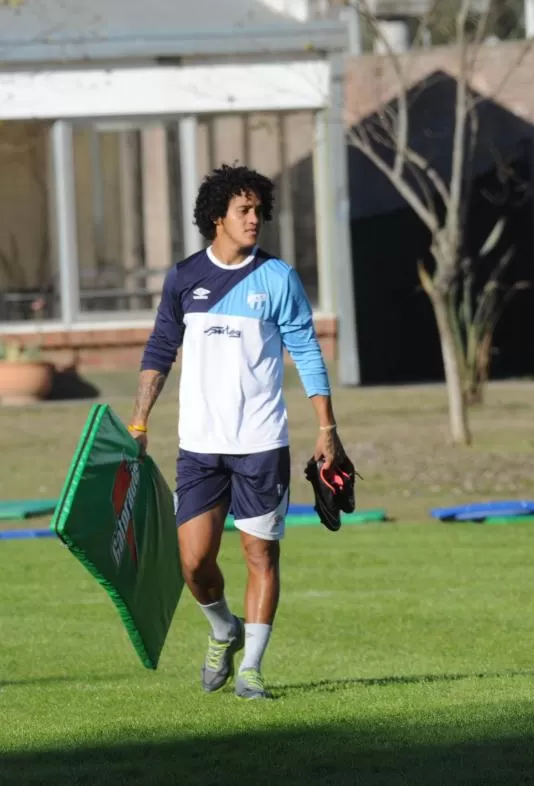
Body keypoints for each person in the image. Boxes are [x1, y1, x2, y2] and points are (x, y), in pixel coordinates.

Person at [128, 164, 350, 700]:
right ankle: (223, 629)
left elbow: (306, 352)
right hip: (200, 447)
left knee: (260, 555)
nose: (255, 220)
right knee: (194, 561)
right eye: (244, 211)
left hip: (261, 444)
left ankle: (250, 668)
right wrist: (140, 420)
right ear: (216, 217)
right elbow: (160, 350)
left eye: (258, 211)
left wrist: (327, 428)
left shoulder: (277, 279)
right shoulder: (184, 278)